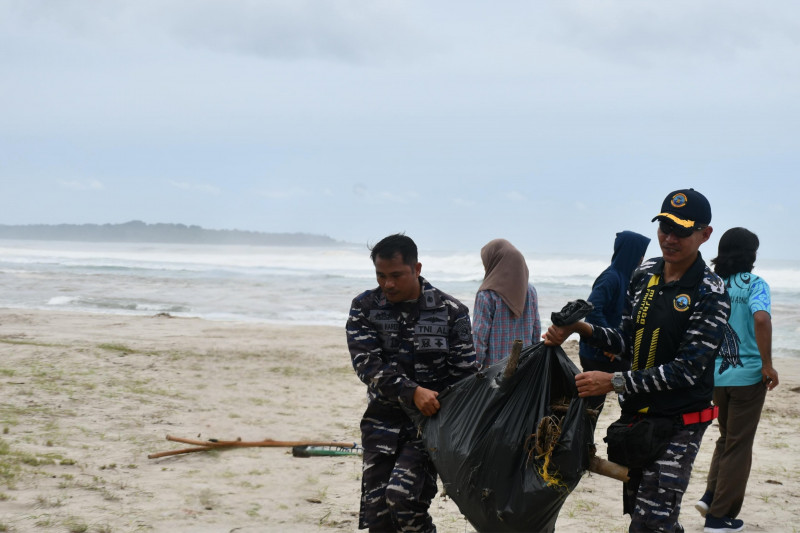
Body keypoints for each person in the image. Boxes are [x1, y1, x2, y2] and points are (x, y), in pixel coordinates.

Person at [543, 188, 731, 533]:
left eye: (682, 231)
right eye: (664, 228)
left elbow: (687, 370)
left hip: (680, 422)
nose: (670, 239)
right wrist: (581, 328)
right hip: (637, 418)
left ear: (705, 234)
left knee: (650, 521)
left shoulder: (710, 292)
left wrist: (613, 382)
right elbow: (626, 340)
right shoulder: (645, 274)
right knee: (646, 515)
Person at [346, 233, 479, 532]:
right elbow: (366, 364)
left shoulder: (451, 312)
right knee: (379, 518)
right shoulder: (365, 307)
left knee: (403, 500)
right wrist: (412, 391)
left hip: (429, 431)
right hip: (381, 424)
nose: (388, 284)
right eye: (381, 276)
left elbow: (465, 377)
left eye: (396, 275)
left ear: (416, 269)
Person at [695, 227, 779, 533]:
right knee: (739, 446)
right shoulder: (756, 285)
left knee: (726, 438)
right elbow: (761, 318)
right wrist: (767, 364)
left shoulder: (712, 285)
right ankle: (719, 518)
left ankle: (709, 497)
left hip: (715, 376)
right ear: (751, 255)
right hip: (747, 377)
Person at [578, 230, 650, 413]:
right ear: (630, 253)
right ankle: (581, 439)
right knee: (593, 407)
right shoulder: (611, 277)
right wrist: (609, 342)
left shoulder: (629, 278)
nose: (642, 258)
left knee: (622, 390)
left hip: (614, 351)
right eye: (640, 253)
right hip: (596, 354)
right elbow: (592, 309)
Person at [472, 238, 541, 367]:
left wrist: (475, 368)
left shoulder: (487, 295)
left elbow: (479, 338)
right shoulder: (530, 291)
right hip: (524, 365)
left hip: (494, 370)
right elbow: (536, 330)